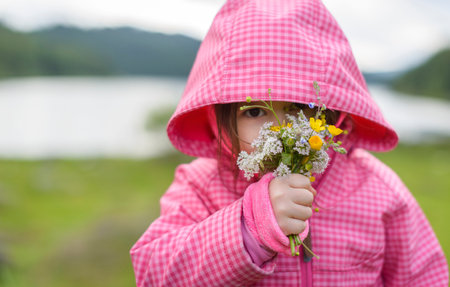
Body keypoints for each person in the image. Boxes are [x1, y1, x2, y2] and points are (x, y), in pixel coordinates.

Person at [130, 0, 449, 286]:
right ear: (218, 118)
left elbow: (426, 276)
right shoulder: (201, 184)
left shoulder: (378, 189)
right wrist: (252, 226)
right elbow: (154, 274)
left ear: (332, 113)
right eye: (255, 111)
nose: (281, 129)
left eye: (299, 108)